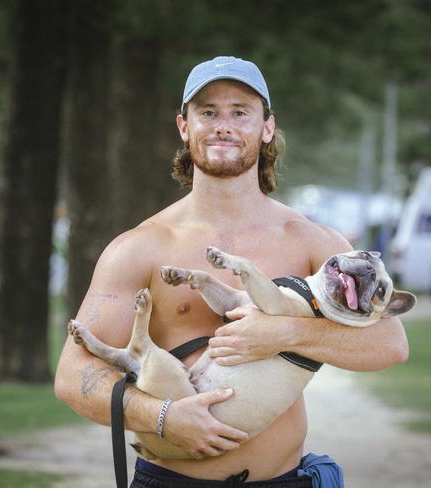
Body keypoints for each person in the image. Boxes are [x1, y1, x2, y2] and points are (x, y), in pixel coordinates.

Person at [55, 56, 409, 487]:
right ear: (185, 128)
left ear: (267, 128)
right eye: (208, 113)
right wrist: (163, 416)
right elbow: (73, 376)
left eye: (240, 113)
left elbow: (390, 344)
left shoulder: (311, 240)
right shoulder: (140, 247)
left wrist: (282, 334)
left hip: (283, 480)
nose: (224, 125)